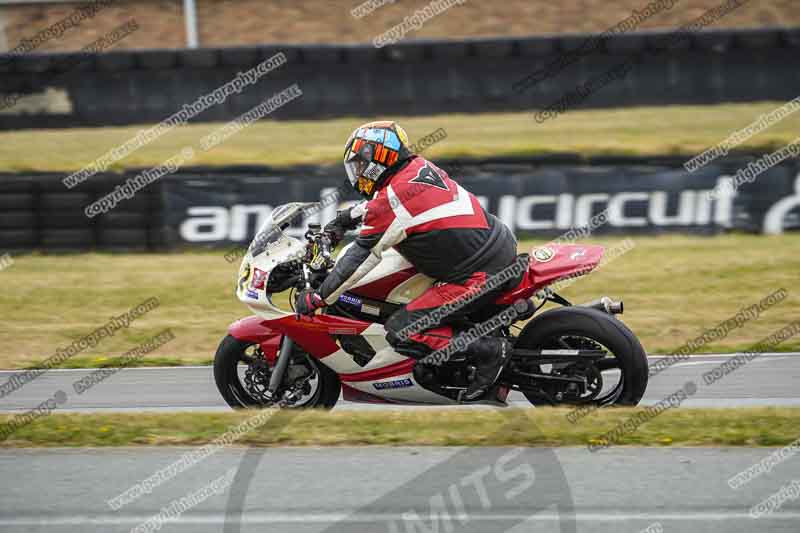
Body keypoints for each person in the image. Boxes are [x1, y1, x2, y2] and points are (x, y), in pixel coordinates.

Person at [294, 120, 518, 400]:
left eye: (360, 164)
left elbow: (360, 256)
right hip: (496, 247)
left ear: (378, 158)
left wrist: (319, 297)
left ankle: (489, 351)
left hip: (478, 275)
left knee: (402, 328)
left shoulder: (393, 199)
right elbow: (384, 204)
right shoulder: (416, 168)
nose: (358, 173)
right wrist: (344, 219)